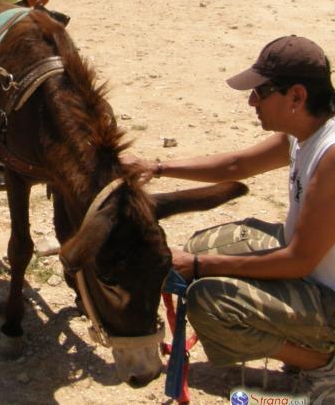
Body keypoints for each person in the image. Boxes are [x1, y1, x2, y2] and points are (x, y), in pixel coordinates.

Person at [125, 35, 335, 403]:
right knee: (206, 246)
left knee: (209, 299)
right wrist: (156, 167)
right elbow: (239, 165)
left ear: (297, 97)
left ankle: (323, 362)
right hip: (312, 270)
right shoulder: (305, 131)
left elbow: (299, 259)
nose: (252, 100)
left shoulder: (331, 157)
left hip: (326, 291)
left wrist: (200, 266)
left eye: (261, 91)